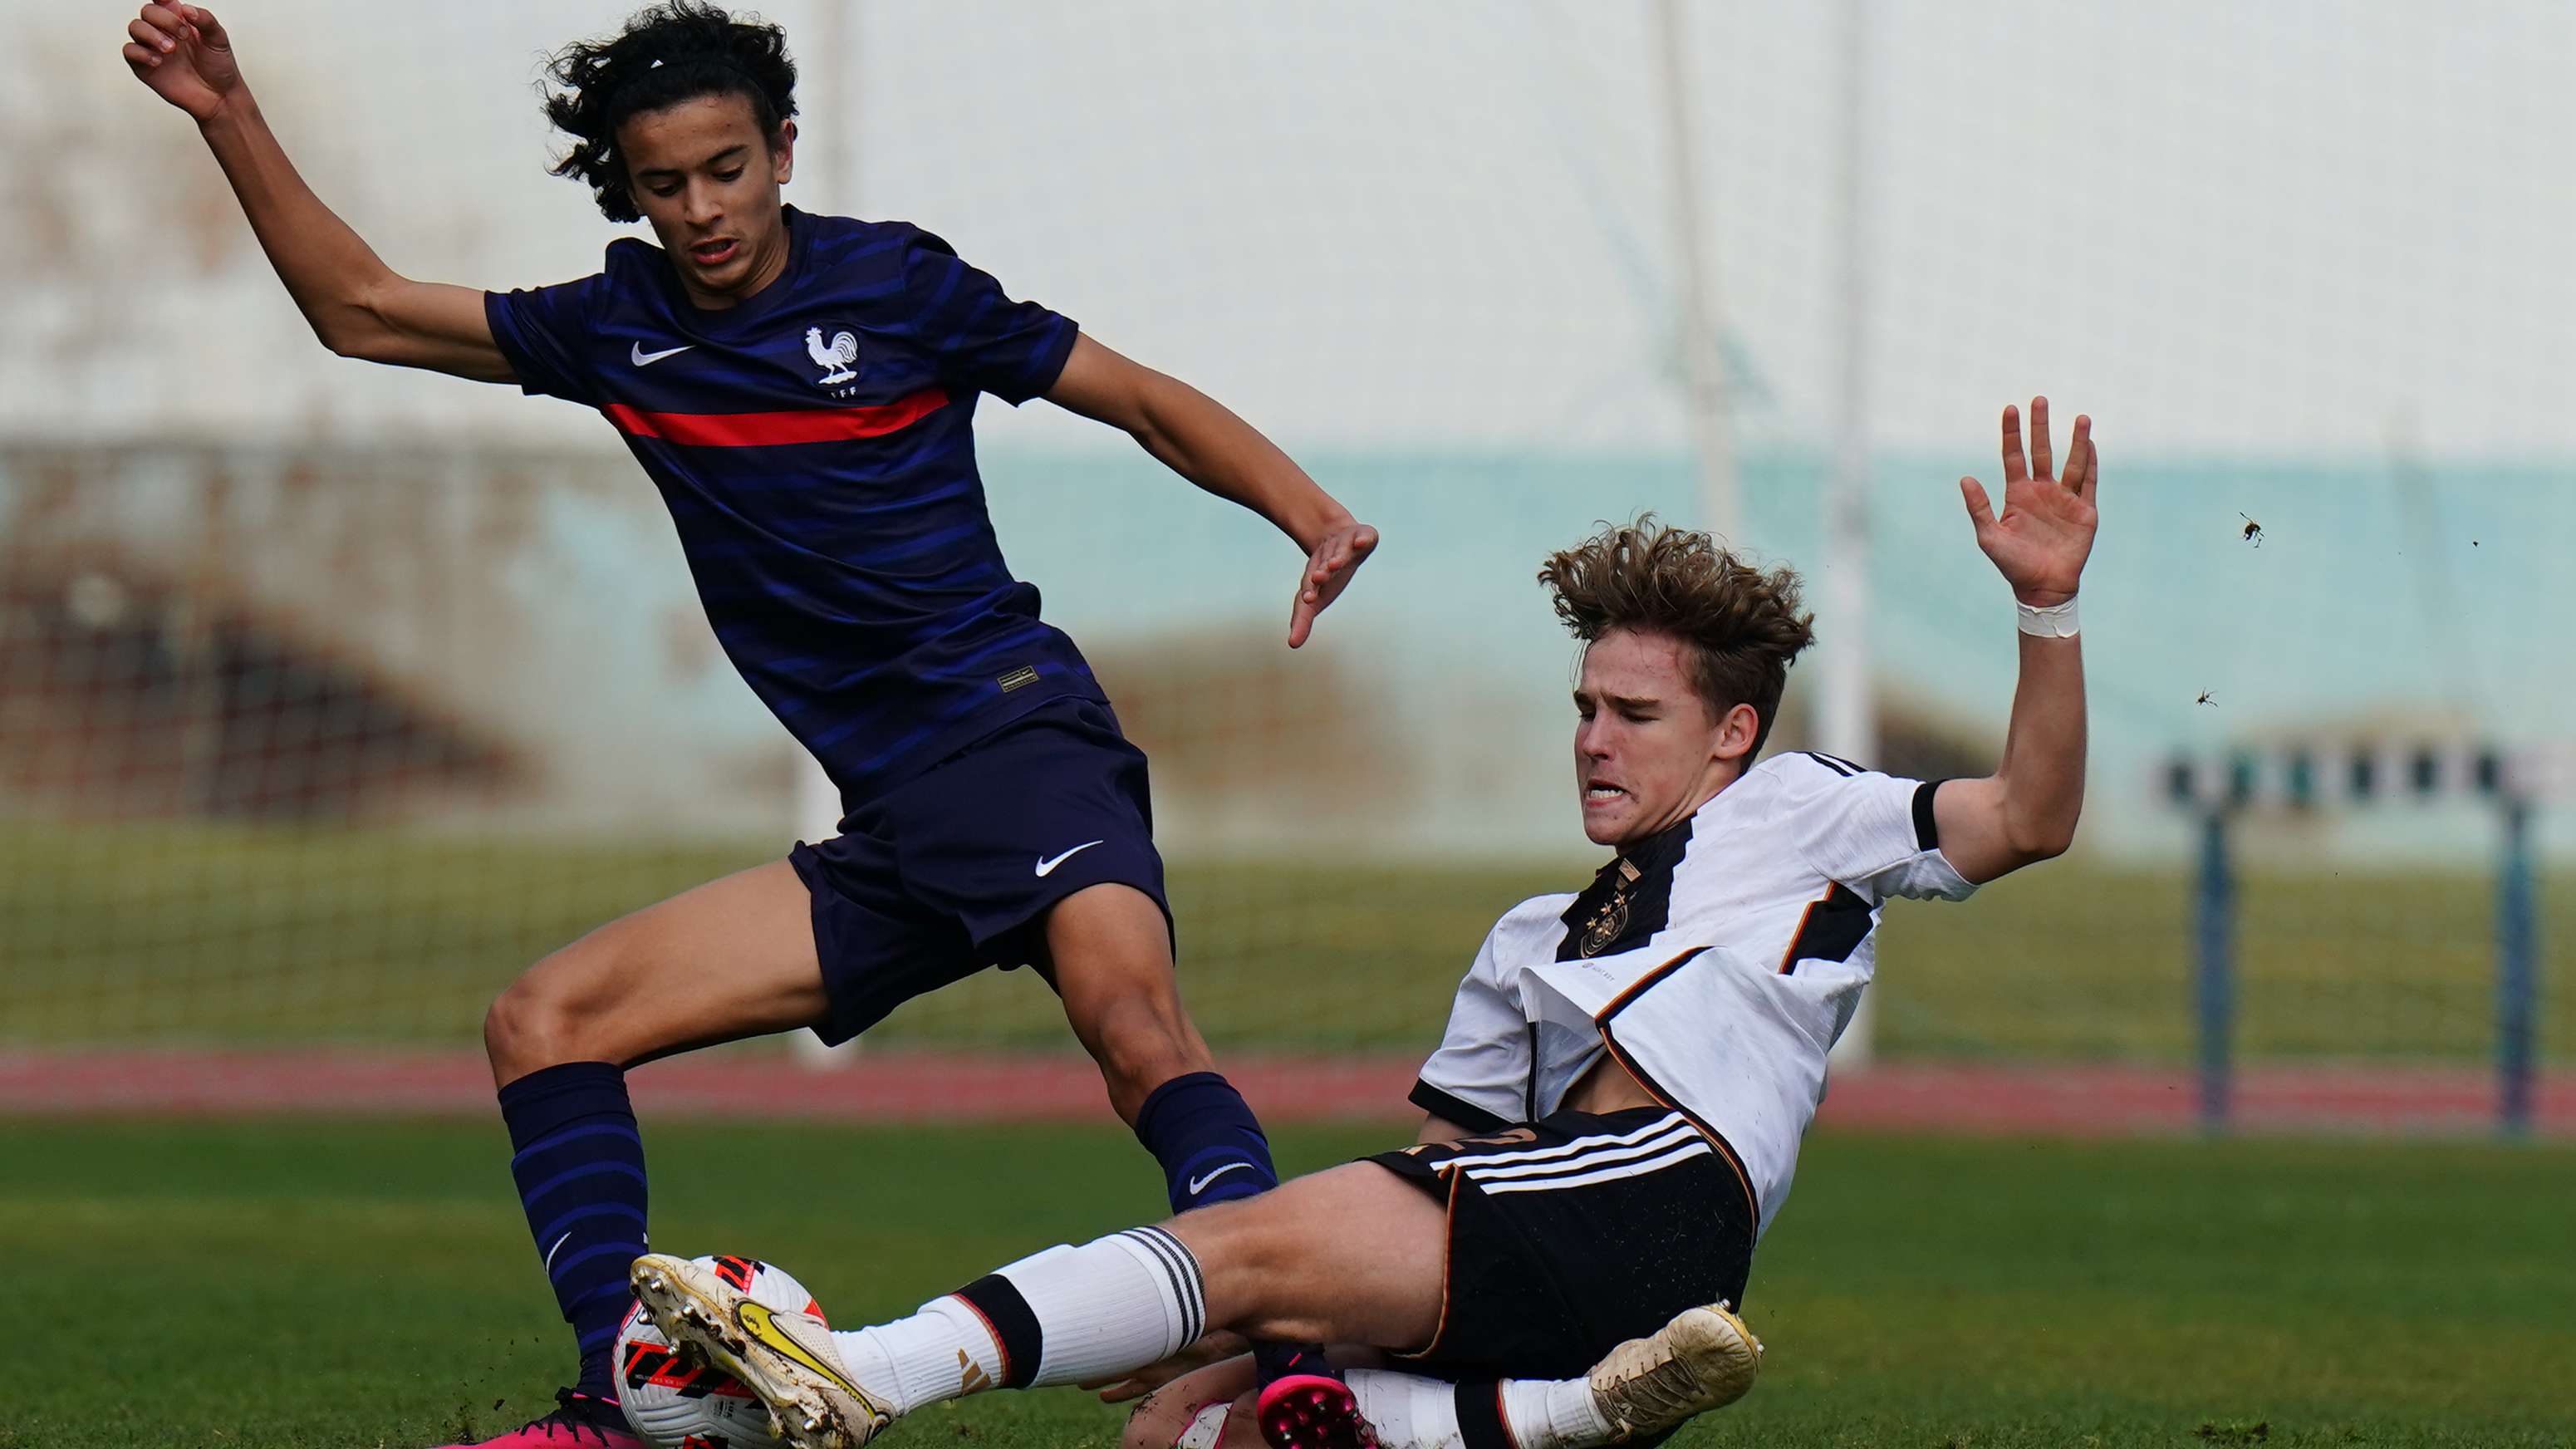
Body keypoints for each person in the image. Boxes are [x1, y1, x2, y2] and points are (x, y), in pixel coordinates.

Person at [120, 4, 1379, 1445]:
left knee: (1138, 1033)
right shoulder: (617, 327)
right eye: (667, 184)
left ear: (782, 150)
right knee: (544, 1023)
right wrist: (224, 109)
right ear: (628, 188)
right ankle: (618, 1403)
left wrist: (1310, 514)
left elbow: (1138, 399)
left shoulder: (897, 285)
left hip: (1016, 740)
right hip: (897, 822)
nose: (704, 209)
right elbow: (360, 308)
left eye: (729, 168)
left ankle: (1300, 1366)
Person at [627, 403, 2100, 1449]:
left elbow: (2027, 816)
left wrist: (2044, 615)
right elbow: (1444, 1165)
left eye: (1631, 714)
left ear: (1729, 733)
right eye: (1582, 707)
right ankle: (1576, 1411)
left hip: (1660, 1194)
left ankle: (862, 1372)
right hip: (1580, 1260)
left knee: (1246, 1248)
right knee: (1192, 1429)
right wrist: (1222, 1357)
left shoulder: (1798, 810)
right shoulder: (1531, 933)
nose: (1591, 738)